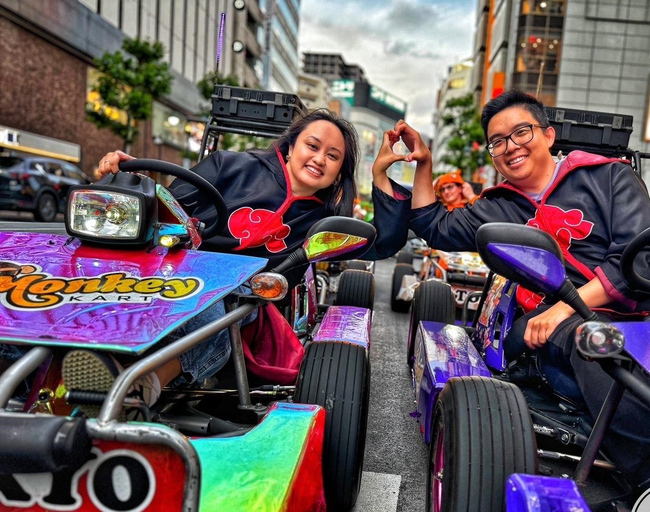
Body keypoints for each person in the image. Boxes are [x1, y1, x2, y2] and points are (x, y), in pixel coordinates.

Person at [374, 90, 650, 496]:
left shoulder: (609, 176)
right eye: (498, 141)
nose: (511, 147)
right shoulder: (496, 205)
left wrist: (568, 308)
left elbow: (638, 256)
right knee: (594, 341)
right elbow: (435, 226)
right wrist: (423, 163)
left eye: (522, 132)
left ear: (549, 135)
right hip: (548, 331)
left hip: (636, 311)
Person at [1, 109, 408, 415]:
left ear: (339, 172)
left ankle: (138, 390)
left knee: (217, 307)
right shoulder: (232, 165)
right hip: (172, 269)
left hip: (243, 298)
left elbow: (386, 241)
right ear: (291, 145)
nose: (319, 158)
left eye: (333, 156)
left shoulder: (323, 219)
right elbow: (168, 207)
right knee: (59, 273)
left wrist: (381, 171)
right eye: (313, 146)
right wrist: (124, 176)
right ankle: (22, 359)